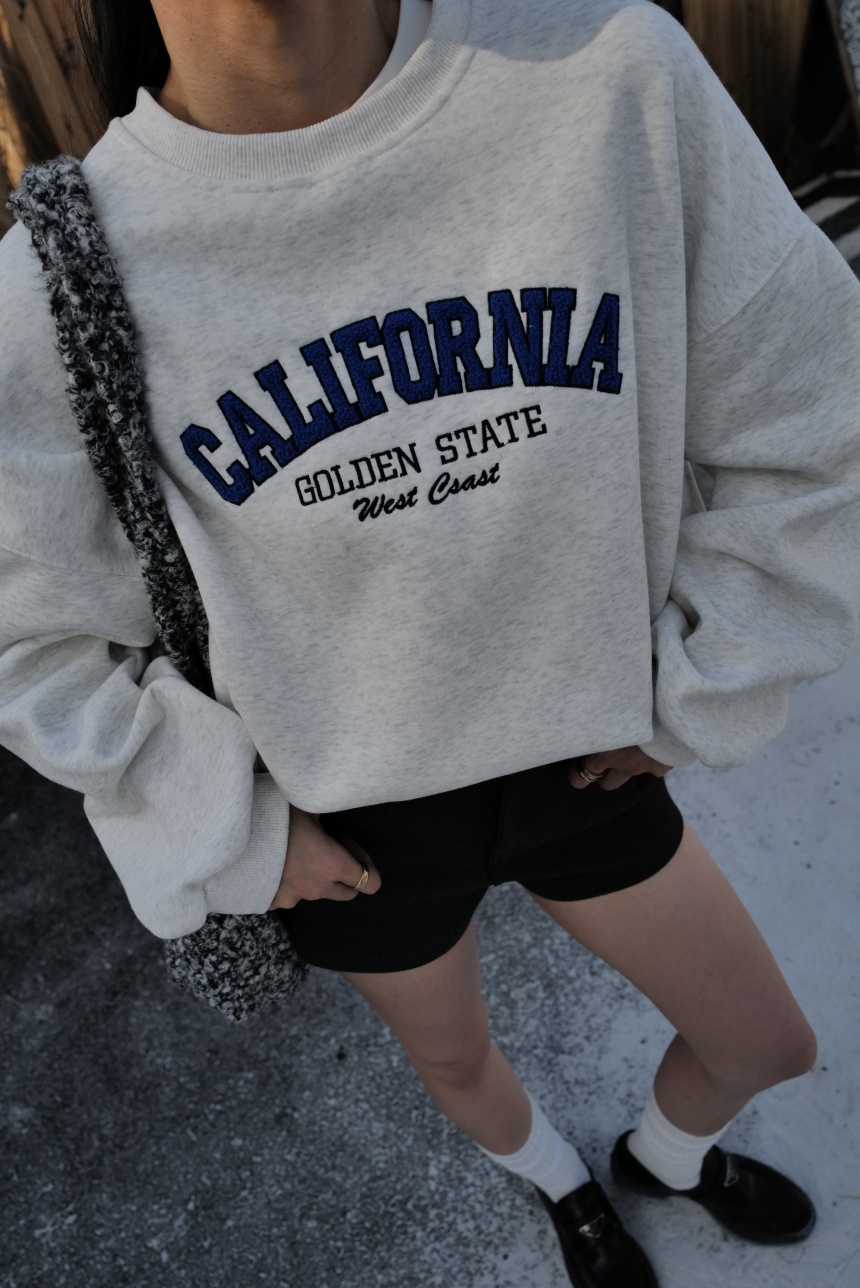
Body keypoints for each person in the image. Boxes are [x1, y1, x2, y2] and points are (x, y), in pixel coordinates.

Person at [1, 0, 858, 1283]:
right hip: (352, 828)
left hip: (583, 751)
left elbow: (816, 413)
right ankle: (567, 1193)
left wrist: (702, 677)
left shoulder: (604, 77)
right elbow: (34, 644)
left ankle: (666, 1160)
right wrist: (224, 819)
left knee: (763, 1041)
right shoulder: (53, 285)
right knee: (455, 1059)